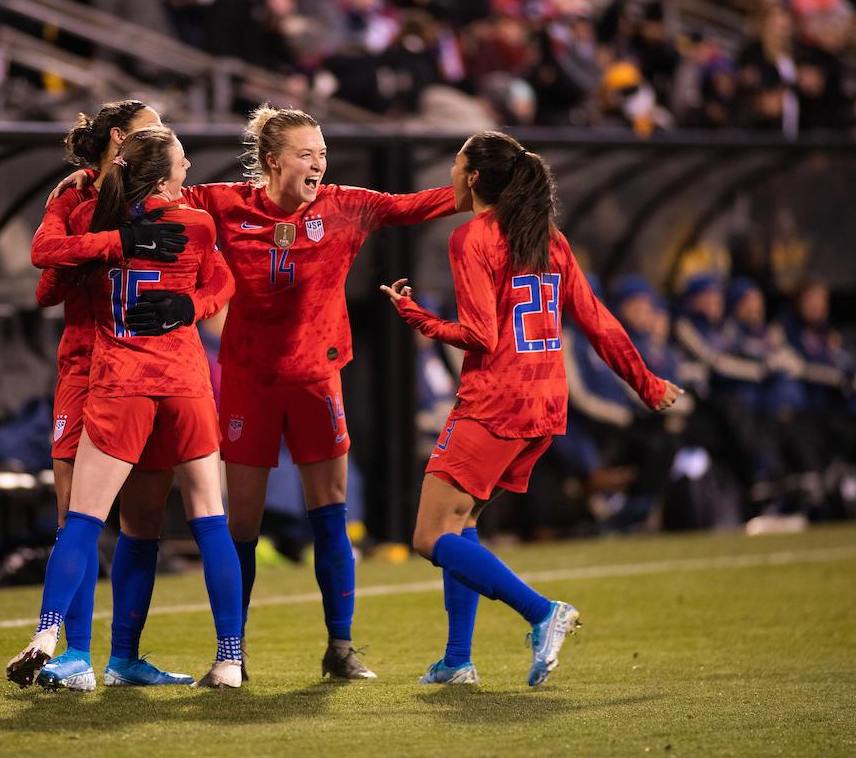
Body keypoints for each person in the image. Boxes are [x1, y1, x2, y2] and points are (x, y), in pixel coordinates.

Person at [53, 104, 460, 680]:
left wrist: (486, 186)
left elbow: (420, 205)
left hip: (318, 379)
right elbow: (148, 185)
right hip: (246, 382)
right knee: (237, 526)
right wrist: (87, 182)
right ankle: (230, 656)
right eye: (306, 153)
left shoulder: (347, 205)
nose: (318, 163)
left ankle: (340, 647)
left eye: (322, 152)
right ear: (272, 161)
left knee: (330, 516)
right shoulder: (220, 202)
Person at [380, 131, 681, 686]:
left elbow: (477, 333)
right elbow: (598, 320)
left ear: (473, 178)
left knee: (427, 537)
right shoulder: (550, 239)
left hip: (495, 401)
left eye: (455, 163)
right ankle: (456, 660)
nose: (449, 173)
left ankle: (543, 613)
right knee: (461, 524)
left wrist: (416, 316)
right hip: (545, 404)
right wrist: (645, 382)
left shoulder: (473, 238)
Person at [8, 126, 244, 690]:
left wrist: (115, 245)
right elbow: (223, 280)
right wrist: (187, 304)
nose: (189, 170)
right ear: (161, 173)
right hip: (185, 382)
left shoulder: (95, 219)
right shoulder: (198, 222)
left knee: (83, 520)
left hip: (119, 380)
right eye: (183, 161)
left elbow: (45, 279)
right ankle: (230, 659)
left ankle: (48, 633)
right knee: (210, 520)